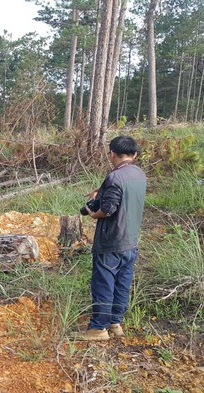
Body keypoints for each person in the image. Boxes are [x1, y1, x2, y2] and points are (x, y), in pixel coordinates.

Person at [81, 135, 147, 341]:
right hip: (131, 240)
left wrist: (92, 212)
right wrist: (102, 190)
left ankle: (98, 329)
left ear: (111, 153)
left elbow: (107, 209)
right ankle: (115, 323)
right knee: (122, 282)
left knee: (103, 283)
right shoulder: (139, 174)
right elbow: (123, 191)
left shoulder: (114, 177)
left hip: (111, 241)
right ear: (134, 154)